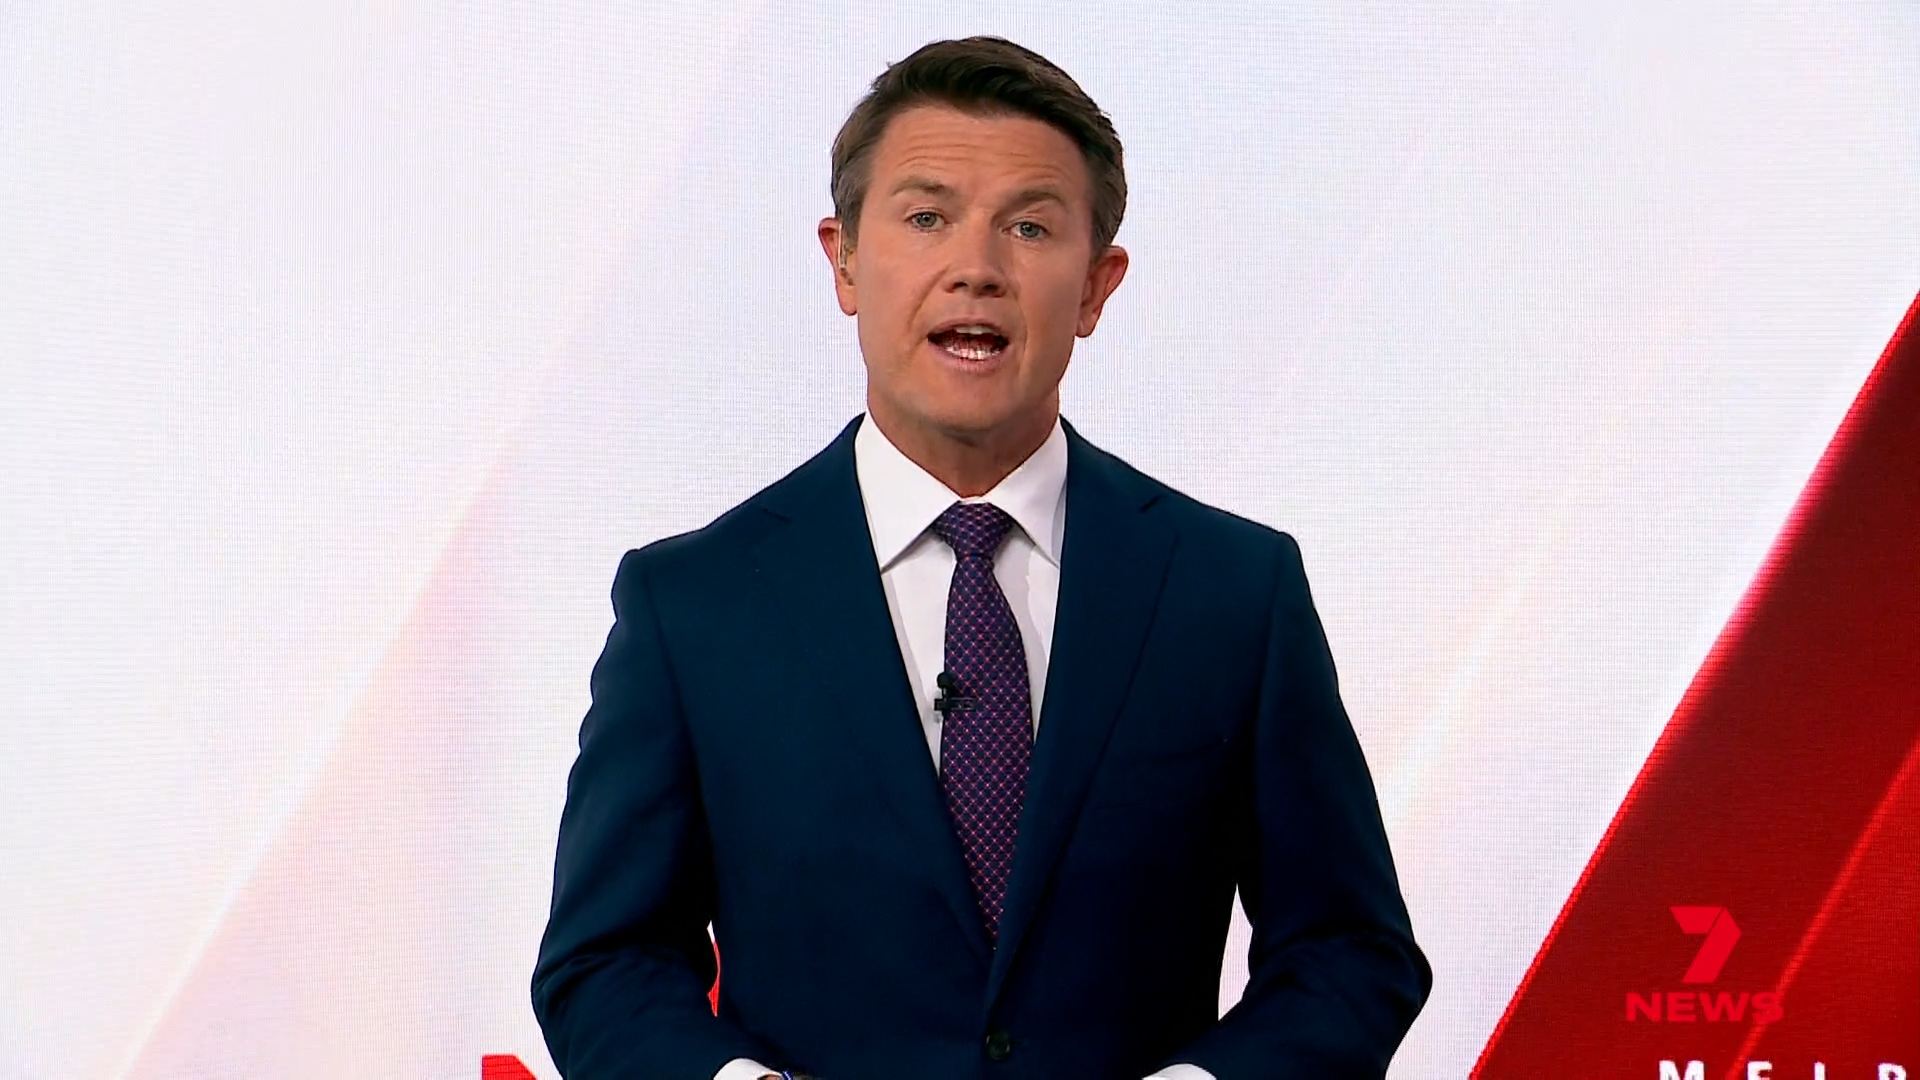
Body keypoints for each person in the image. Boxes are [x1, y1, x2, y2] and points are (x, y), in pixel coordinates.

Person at [531, 35, 1431, 1080]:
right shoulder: (694, 605)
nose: (977, 268)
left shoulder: (1231, 590)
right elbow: (606, 962)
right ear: (844, 260)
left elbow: (1348, 951)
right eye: (926, 217)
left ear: (1096, 287)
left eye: (1030, 227)